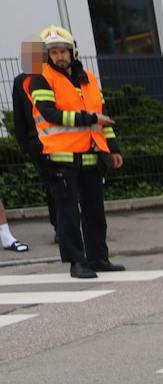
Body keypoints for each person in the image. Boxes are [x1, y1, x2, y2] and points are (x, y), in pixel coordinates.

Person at [27, 25, 124, 279]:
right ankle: (76, 262)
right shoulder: (40, 77)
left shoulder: (89, 78)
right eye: (53, 52)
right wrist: (89, 117)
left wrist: (113, 148)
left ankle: (98, 258)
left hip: (92, 154)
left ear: (73, 52)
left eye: (63, 51)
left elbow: (102, 119)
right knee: (68, 212)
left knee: (95, 209)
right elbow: (51, 113)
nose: (59, 56)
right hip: (61, 156)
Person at [11, 39, 56, 241]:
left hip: (57, 139)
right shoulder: (21, 81)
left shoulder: (52, 77)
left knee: (62, 185)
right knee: (53, 185)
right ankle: (59, 227)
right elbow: (19, 115)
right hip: (38, 142)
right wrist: (24, 144)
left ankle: (66, 226)